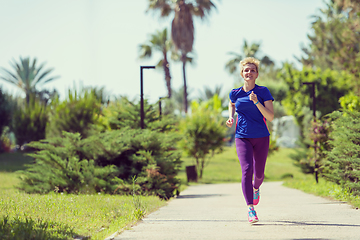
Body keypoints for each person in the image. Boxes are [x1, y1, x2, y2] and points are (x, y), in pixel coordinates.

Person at [226, 57, 274, 224]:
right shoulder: (235, 93)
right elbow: (232, 104)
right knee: (247, 170)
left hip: (261, 136)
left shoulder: (263, 92)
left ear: (257, 74)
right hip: (242, 136)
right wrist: (231, 117)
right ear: (242, 73)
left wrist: (256, 103)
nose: (249, 72)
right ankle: (250, 209)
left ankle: (255, 189)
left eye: (252, 70)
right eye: (246, 70)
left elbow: (270, 116)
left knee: (259, 174)